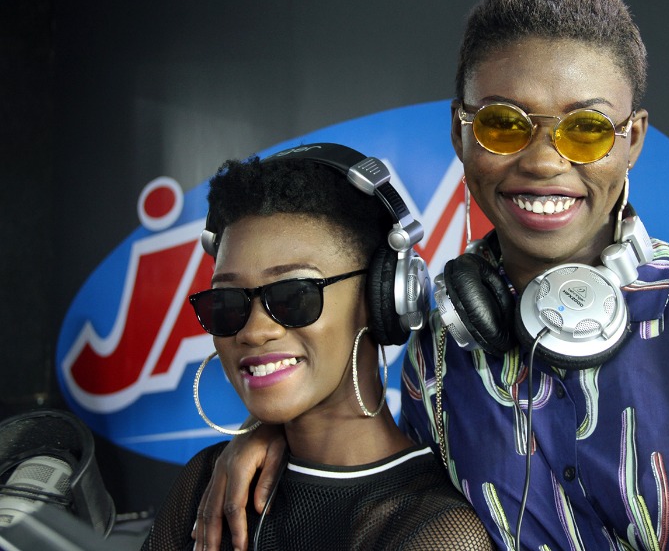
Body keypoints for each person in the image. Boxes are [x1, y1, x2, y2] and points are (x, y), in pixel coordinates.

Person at [192, 0, 669, 550]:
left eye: (586, 129)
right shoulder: (440, 348)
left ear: (631, 140)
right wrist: (273, 431)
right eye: (504, 125)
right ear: (461, 133)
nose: (542, 162)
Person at [141, 144, 494, 550]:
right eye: (228, 301)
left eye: (295, 295)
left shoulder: (436, 530)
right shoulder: (208, 479)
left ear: (382, 299)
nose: (254, 331)